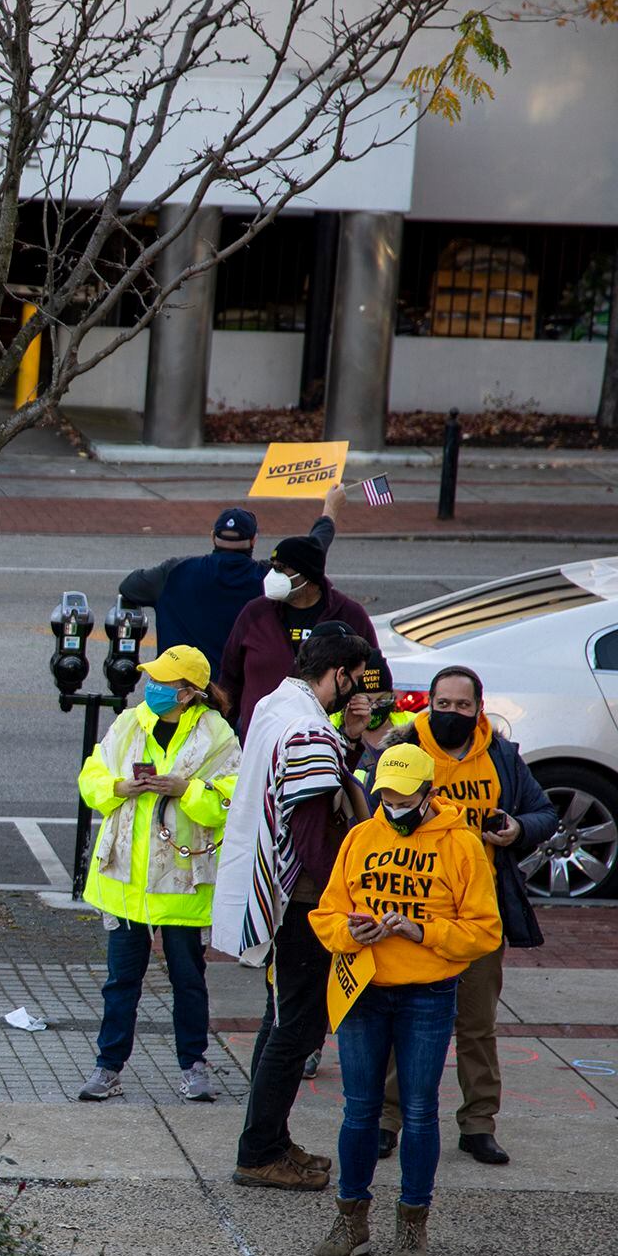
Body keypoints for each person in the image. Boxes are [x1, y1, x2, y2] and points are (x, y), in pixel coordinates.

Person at [308, 744, 501, 1256]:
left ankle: (413, 1223)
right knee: (358, 1109)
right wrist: (349, 931)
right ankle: (352, 1219)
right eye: (385, 793)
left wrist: (423, 931)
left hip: (427, 994)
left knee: (418, 1112)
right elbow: (326, 912)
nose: (392, 803)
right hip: (365, 987)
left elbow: (485, 930)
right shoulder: (361, 837)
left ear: (428, 792)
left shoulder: (462, 846)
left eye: (403, 794)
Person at [357, 666, 555, 1167]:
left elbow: (544, 813)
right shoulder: (402, 751)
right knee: (405, 1021)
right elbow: (365, 811)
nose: (451, 714)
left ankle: (478, 1124)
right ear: (430, 703)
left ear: (478, 709)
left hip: (477, 913)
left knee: (476, 1024)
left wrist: (516, 827)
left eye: (461, 707)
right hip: (407, 914)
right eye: (441, 704)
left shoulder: (503, 757)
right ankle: (387, 1120)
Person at [210, 632, 378, 1190]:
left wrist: (349, 739)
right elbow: (311, 827)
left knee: (279, 1021)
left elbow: (312, 784)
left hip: (279, 893)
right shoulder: (307, 728)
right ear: (336, 673)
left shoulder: (278, 704)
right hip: (304, 901)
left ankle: (270, 1140)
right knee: (297, 1029)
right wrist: (341, 896)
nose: (357, 690)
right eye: (354, 677)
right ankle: (259, 1151)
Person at [73, 646, 241, 1103]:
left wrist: (186, 790)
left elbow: (230, 798)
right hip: (125, 884)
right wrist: (119, 787)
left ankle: (194, 1066)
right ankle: (108, 1067)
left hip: (181, 884)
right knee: (119, 983)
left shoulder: (217, 734)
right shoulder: (130, 721)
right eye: (154, 679)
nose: (154, 688)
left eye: (165, 683)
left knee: (188, 980)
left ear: (189, 693)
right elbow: (91, 778)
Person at [214, 485, 372, 731]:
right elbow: (230, 681)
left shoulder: (350, 616)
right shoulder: (255, 613)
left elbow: (374, 677)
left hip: (323, 745)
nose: (273, 574)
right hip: (260, 743)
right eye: (273, 566)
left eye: (281, 569)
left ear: (308, 577)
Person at [118, 507, 267, 668]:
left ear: (212, 537)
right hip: (237, 688)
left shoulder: (176, 570)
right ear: (253, 540)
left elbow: (129, 587)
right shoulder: (268, 579)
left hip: (177, 684)